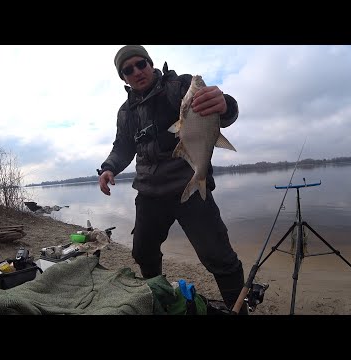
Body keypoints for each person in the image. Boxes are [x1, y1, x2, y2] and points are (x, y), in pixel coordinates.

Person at [97, 45, 248, 315]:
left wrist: (225, 105)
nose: (137, 71)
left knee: (219, 257)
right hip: (149, 192)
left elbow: (221, 114)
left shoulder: (180, 86)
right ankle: (159, 296)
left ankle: (239, 309)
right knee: (143, 252)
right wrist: (109, 168)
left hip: (188, 185)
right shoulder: (125, 111)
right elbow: (122, 146)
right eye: (128, 69)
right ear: (123, 78)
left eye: (141, 64)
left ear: (150, 63)